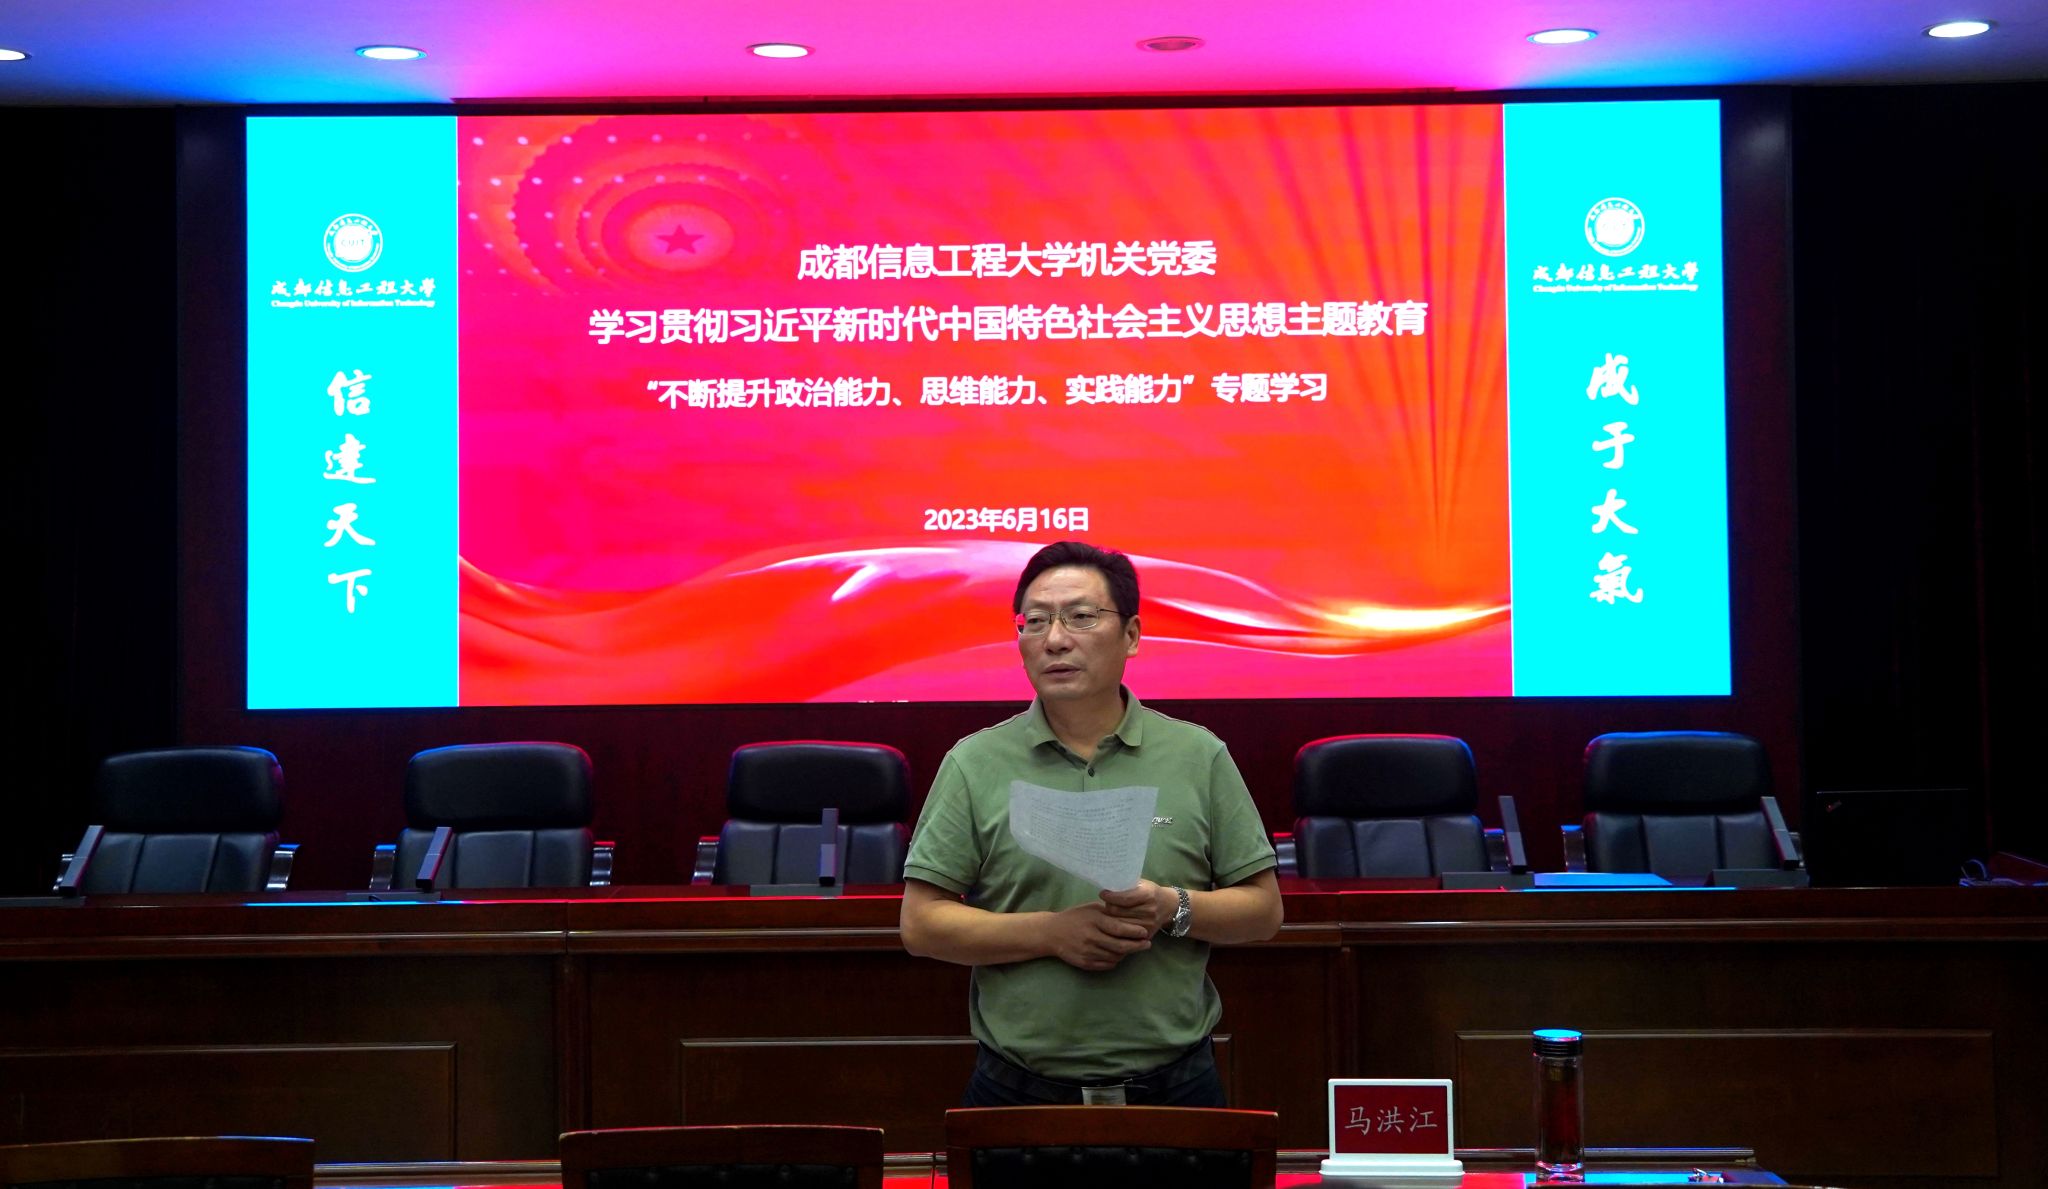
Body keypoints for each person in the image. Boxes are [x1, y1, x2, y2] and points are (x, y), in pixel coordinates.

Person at [899, 540, 1281, 1106]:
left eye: (1081, 617)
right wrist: (1052, 933)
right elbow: (921, 924)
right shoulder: (974, 763)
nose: (1054, 639)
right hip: (1017, 1092)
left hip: (1177, 1089)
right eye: (1035, 621)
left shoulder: (1198, 756)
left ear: (1131, 635)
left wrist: (1171, 906)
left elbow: (1264, 911)